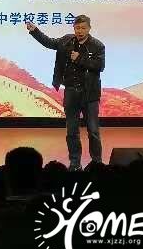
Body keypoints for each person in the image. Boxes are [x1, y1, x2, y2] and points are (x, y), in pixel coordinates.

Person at [25, 15, 104, 170]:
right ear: (74, 28)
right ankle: (75, 163)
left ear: (89, 28)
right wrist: (35, 31)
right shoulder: (66, 41)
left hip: (90, 95)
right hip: (71, 92)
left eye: (83, 28)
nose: (80, 31)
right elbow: (49, 42)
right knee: (72, 131)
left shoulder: (97, 46)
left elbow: (99, 66)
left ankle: (97, 163)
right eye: (77, 28)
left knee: (93, 131)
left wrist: (80, 58)